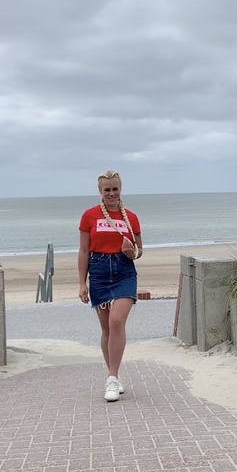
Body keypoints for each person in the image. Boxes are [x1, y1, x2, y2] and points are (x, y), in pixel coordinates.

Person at [78, 170, 143, 402]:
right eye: (107, 189)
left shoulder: (131, 217)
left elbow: (140, 250)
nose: (112, 193)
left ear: (120, 189)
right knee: (106, 329)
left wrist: (132, 252)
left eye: (115, 188)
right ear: (100, 191)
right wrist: (81, 283)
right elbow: (84, 251)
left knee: (117, 321)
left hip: (125, 271)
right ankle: (112, 375)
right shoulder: (89, 216)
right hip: (98, 272)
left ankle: (112, 378)